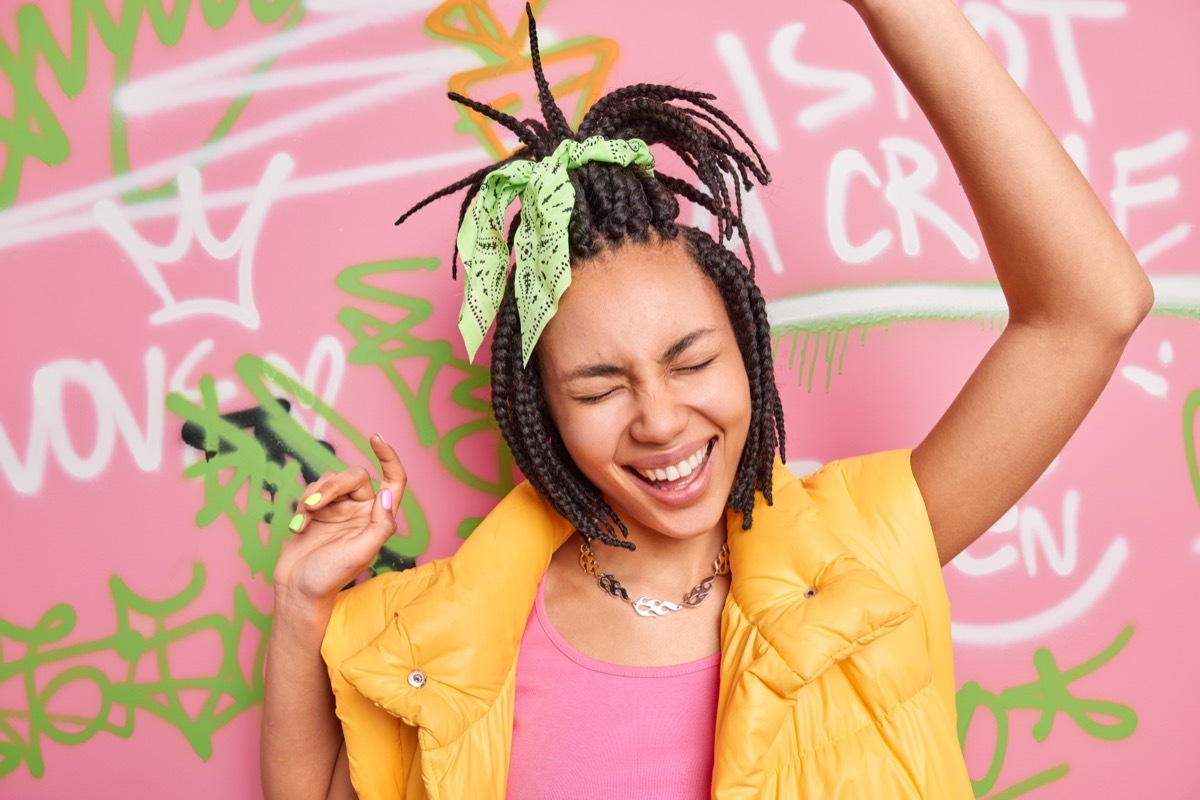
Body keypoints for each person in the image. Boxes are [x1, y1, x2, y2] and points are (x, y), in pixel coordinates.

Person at [260, 1, 1153, 798]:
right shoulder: (444, 634)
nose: (658, 419)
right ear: (543, 415)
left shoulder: (859, 555)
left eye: (690, 362)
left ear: (749, 352)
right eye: (600, 387)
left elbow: (1092, 308)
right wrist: (302, 610)